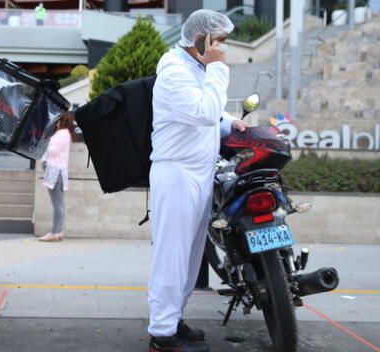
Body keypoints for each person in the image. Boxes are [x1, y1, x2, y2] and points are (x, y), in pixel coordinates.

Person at [147, 9, 247, 352]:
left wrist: (230, 123)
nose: (223, 48)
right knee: (171, 257)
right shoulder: (175, 71)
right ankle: (161, 335)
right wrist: (219, 68)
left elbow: (210, 115)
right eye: (219, 41)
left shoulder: (194, 69)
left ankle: (173, 320)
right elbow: (202, 110)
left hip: (198, 172)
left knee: (190, 258)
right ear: (201, 39)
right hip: (176, 173)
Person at [39, 112, 76, 242]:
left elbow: (53, 150)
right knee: (59, 203)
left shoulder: (61, 134)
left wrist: (47, 141)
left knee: (57, 204)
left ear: (61, 121)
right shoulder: (66, 134)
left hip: (55, 172)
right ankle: (58, 231)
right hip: (58, 171)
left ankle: (54, 232)